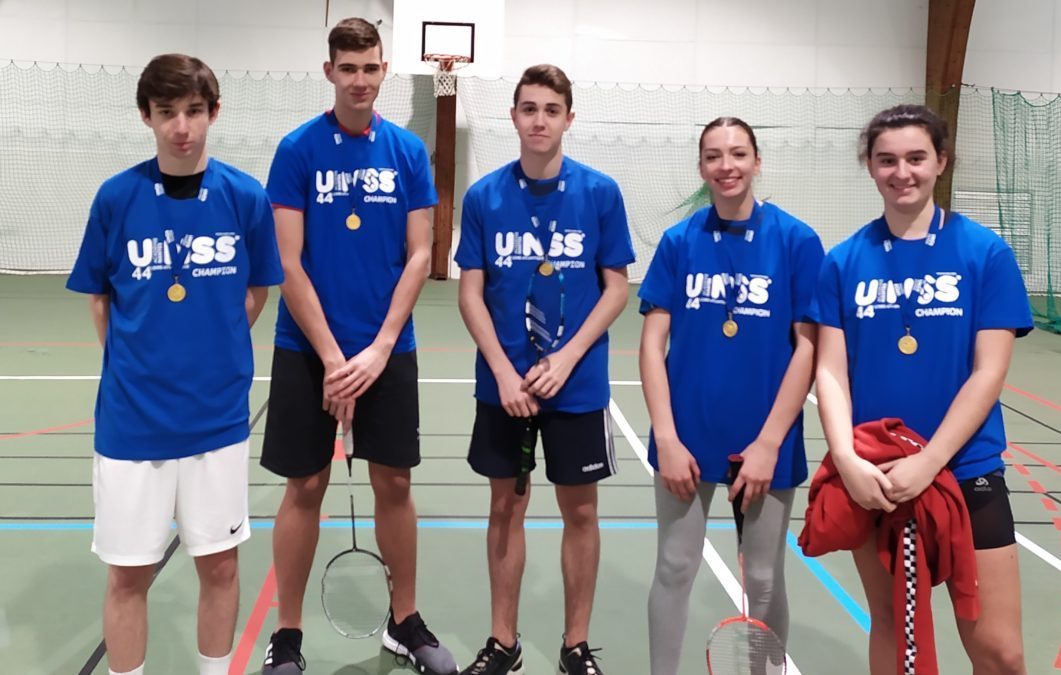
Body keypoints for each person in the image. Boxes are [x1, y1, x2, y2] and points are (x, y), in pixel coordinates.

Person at [66, 53, 283, 675]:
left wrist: (208, 348)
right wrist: (145, 363)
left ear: (214, 113)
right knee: (128, 574)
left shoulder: (245, 198)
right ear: (147, 116)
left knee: (219, 564)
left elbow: (255, 294)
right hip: (133, 424)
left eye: (193, 111)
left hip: (215, 419)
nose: (181, 127)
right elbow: (102, 302)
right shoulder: (116, 198)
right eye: (167, 113)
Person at [258, 17, 456, 675]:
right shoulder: (297, 151)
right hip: (306, 347)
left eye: (371, 68)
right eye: (349, 68)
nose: (361, 80)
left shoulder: (406, 152)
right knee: (305, 484)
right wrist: (335, 357)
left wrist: (377, 348)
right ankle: (286, 634)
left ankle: (405, 620)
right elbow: (287, 262)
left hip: (387, 348)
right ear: (329, 72)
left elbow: (422, 251)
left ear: (384, 70)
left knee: (394, 481)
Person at [811, 104, 1032, 674]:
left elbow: (989, 371)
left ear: (941, 162)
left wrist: (931, 461)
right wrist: (847, 459)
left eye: (915, 158)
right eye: (887, 160)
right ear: (870, 167)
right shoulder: (843, 261)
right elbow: (831, 371)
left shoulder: (985, 254)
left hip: (964, 469)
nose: (901, 172)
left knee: (999, 650)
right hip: (876, 473)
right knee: (892, 628)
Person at [454, 64, 635, 675]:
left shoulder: (600, 193)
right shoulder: (484, 197)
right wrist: (505, 373)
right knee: (504, 506)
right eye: (528, 108)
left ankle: (574, 644)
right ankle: (502, 641)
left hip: (575, 383)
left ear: (568, 118)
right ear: (513, 116)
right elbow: (470, 293)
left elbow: (616, 288)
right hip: (503, 386)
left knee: (579, 511)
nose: (539, 120)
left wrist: (566, 358)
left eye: (551, 109)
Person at [638, 117, 824, 673]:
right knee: (673, 566)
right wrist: (667, 438)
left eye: (738, 153)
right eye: (714, 156)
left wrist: (770, 442)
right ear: (701, 167)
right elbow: (651, 345)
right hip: (687, 439)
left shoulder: (796, 241)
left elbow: (807, 349)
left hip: (767, 441)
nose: (727, 166)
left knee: (764, 576)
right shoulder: (679, 242)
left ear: (757, 161)